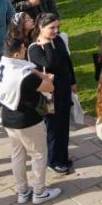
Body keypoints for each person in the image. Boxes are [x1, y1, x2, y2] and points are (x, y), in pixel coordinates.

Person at [0, 36, 62, 205]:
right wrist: (47, 78)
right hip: (27, 119)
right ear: (17, 54)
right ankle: (39, 192)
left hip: (8, 117)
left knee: (18, 154)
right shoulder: (25, 76)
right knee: (38, 154)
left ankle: (22, 191)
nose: (26, 50)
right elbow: (49, 87)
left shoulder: (1, 65)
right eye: (23, 48)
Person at [27, 13, 78, 175]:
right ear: (41, 28)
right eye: (52, 28)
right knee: (53, 128)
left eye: (58, 27)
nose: (56, 31)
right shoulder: (35, 48)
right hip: (49, 96)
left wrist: (73, 81)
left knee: (64, 125)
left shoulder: (59, 40)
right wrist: (47, 44)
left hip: (63, 90)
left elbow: (67, 61)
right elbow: (50, 63)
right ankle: (53, 161)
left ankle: (63, 156)